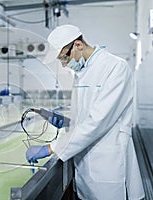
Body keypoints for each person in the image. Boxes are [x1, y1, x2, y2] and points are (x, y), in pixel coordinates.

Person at [26, 24, 145, 200]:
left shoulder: (115, 68)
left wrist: (51, 147)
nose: (64, 65)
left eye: (64, 58)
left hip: (108, 165)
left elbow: (98, 121)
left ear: (78, 45)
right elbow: (86, 117)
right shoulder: (82, 73)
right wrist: (67, 121)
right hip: (85, 166)